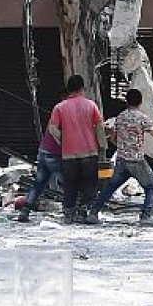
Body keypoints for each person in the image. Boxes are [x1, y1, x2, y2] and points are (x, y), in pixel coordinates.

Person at [86, 88, 153, 225]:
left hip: (121, 159)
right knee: (151, 186)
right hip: (137, 160)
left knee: (109, 187)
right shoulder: (142, 118)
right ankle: (146, 215)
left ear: (127, 101)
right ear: (140, 102)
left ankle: (93, 213)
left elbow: (114, 139)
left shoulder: (120, 117)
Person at [49, 75, 107, 224]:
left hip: (69, 153)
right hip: (89, 151)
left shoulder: (59, 107)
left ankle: (69, 213)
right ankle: (84, 211)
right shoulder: (91, 105)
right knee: (89, 183)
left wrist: (63, 140)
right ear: (82, 88)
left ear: (68, 89)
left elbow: (52, 129)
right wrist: (103, 147)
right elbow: (99, 128)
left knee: (70, 183)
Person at [17, 115, 64, 223]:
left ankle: (25, 211)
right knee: (68, 183)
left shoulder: (59, 112)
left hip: (43, 151)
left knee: (39, 184)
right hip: (55, 154)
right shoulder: (67, 116)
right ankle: (71, 211)